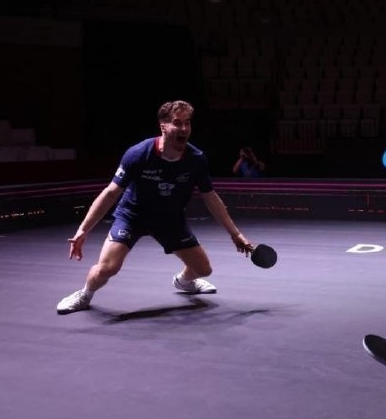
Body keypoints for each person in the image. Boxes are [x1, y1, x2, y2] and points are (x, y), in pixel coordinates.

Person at [57, 100, 253, 314]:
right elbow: (110, 193)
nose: (184, 128)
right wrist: (83, 230)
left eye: (187, 123)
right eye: (177, 123)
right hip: (132, 216)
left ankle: (183, 281)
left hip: (170, 219)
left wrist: (235, 234)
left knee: (204, 269)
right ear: (163, 126)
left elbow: (211, 197)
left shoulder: (196, 159)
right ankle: (84, 295)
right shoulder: (138, 154)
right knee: (107, 268)